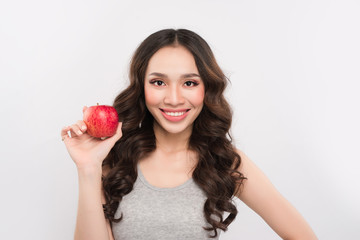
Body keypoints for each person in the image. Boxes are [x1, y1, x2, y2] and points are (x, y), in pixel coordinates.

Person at [61, 29, 317, 240]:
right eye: (158, 82)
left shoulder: (225, 162)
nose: (173, 99)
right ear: (141, 88)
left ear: (207, 88)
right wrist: (88, 167)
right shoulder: (115, 160)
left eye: (190, 83)